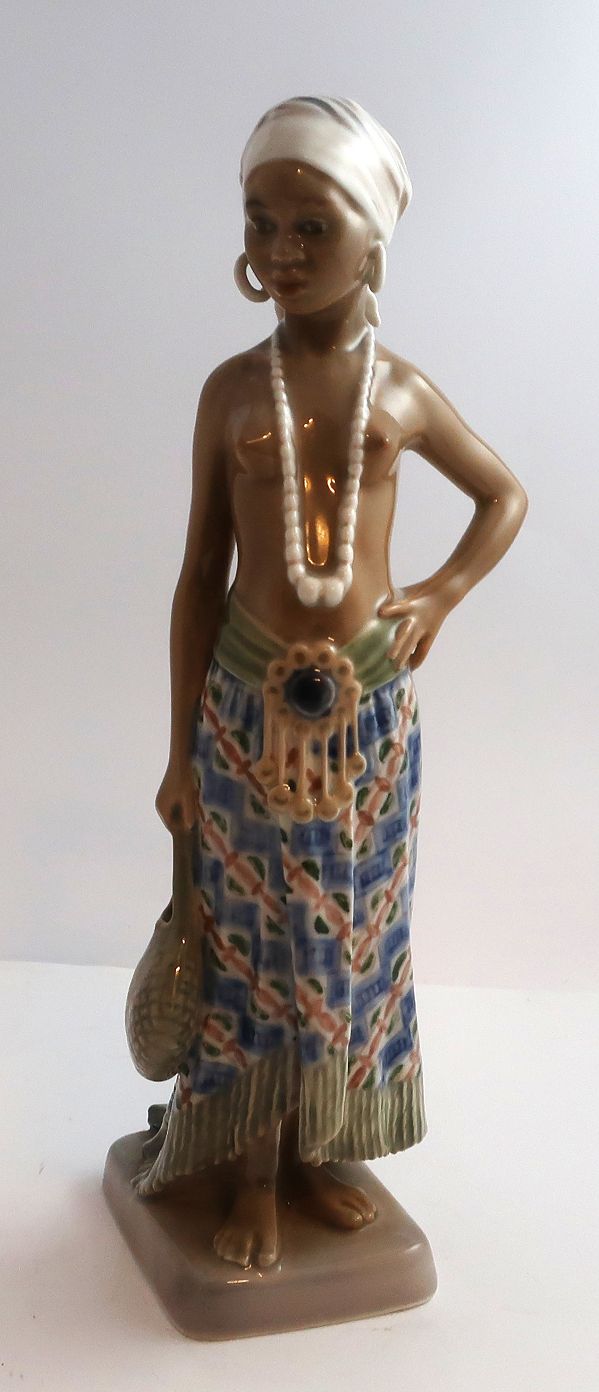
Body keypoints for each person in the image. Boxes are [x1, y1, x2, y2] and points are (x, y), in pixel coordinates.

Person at [132, 96, 528, 1269]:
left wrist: (439, 594)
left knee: (352, 938)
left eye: (312, 227)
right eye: (261, 223)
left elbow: (502, 495)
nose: (281, 251)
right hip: (244, 711)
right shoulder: (229, 391)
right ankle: (249, 1170)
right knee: (250, 942)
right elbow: (198, 577)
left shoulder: (397, 392)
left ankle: (318, 1149)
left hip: (367, 715)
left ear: (373, 239)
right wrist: (176, 753)